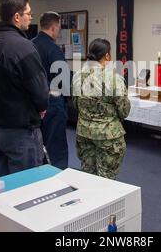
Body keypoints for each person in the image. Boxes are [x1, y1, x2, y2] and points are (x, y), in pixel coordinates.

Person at [0, 0, 49, 177]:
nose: (30, 18)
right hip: (19, 133)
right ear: (17, 17)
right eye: (29, 14)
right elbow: (41, 92)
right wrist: (41, 107)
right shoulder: (23, 46)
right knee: (26, 188)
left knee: (1, 187)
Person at [72, 38, 131, 180]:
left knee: (87, 175)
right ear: (107, 56)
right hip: (108, 137)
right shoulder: (113, 78)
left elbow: (75, 105)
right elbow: (124, 110)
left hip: (84, 133)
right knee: (106, 179)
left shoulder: (77, 76)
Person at [32, 11, 69, 169]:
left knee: (37, 145)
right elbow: (62, 79)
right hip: (53, 103)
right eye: (59, 28)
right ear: (53, 27)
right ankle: (58, 178)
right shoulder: (54, 49)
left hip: (33, 102)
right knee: (56, 146)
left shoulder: (29, 44)